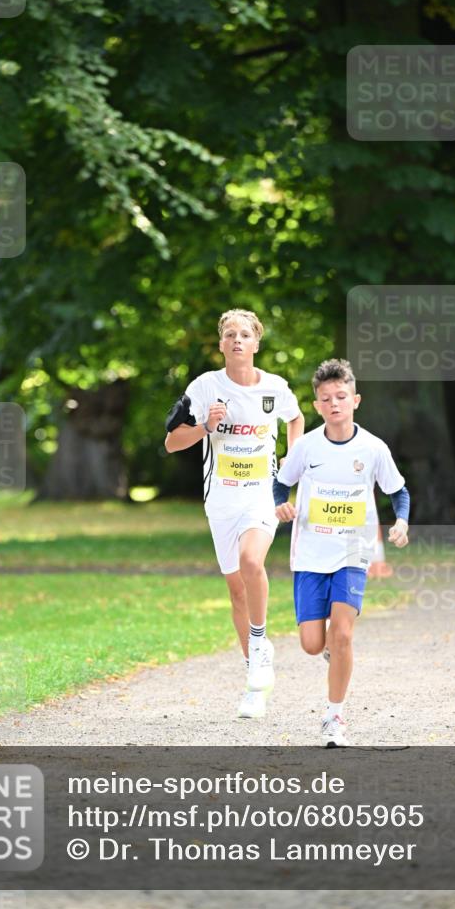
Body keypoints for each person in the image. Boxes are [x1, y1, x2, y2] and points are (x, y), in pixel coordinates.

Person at [165, 309, 304, 719]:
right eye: (230, 334)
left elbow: (295, 418)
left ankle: (261, 647)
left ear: (256, 344)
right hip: (220, 501)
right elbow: (173, 442)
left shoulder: (275, 388)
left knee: (250, 562)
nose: (238, 340)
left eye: (245, 334)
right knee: (237, 590)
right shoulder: (205, 387)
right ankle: (254, 683)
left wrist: (290, 457)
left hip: (263, 494)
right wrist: (206, 427)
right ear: (222, 344)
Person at [274, 358, 410, 746]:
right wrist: (281, 505)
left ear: (355, 400)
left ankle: (335, 718)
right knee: (313, 643)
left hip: (353, 552)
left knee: (344, 635)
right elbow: (280, 485)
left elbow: (398, 491)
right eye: (326, 399)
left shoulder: (372, 448)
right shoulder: (306, 447)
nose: (334, 404)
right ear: (317, 406)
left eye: (341, 396)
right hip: (311, 555)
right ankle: (332, 652)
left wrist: (400, 522)